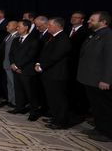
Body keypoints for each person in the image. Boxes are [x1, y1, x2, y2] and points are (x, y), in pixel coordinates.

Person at [77, 11, 112, 142]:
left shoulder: (108, 35)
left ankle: (107, 133)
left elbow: (110, 60)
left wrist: (106, 80)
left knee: (105, 108)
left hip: (100, 81)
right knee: (96, 107)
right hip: (90, 79)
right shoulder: (95, 34)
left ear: (103, 22)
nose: (88, 21)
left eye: (92, 20)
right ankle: (99, 128)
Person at [36, 17, 72, 129]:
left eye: (50, 25)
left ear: (57, 26)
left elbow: (55, 56)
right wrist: (38, 63)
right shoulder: (53, 37)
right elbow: (44, 53)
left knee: (59, 99)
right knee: (52, 98)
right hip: (49, 73)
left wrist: (41, 66)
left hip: (57, 75)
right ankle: (55, 117)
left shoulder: (63, 38)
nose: (48, 27)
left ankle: (60, 122)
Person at [8, 20, 40, 120]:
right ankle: (19, 107)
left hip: (26, 71)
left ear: (26, 27)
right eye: (16, 27)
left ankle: (34, 112)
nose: (17, 28)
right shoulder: (15, 40)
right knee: (18, 90)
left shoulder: (34, 40)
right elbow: (11, 54)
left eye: (19, 27)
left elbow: (30, 56)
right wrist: (13, 65)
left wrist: (18, 66)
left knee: (30, 92)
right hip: (15, 69)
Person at [68, 11, 90, 116]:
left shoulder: (85, 32)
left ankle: (79, 112)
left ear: (82, 20)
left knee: (78, 90)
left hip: (77, 65)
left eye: (77, 17)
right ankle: (70, 109)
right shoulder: (67, 30)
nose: (73, 19)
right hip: (67, 65)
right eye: (72, 17)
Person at [1, 21, 19, 107]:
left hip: (12, 64)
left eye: (9, 25)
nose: (7, 26)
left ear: (15, 26)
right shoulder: (8, 36)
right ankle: (10, 100)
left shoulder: (17, 36)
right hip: (5, 64)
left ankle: (16, 102)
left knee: (14, 84)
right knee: (9, 83)